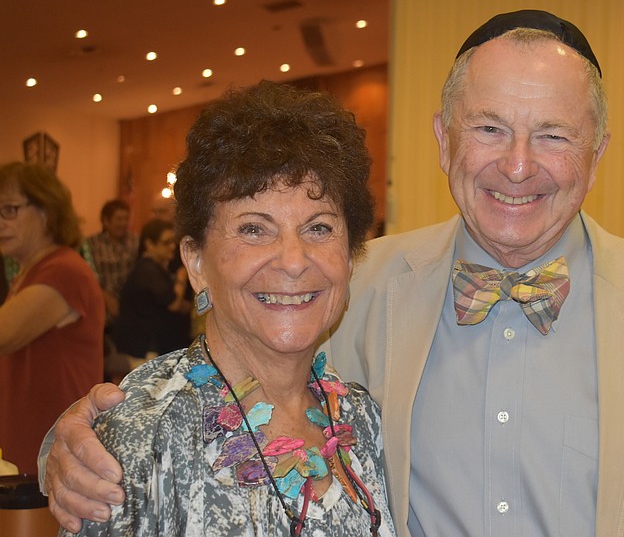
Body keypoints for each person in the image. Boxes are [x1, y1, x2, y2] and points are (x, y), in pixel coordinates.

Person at [42, 10, 624, 536]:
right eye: (488, 128)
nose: (516, 165)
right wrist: (71, 443)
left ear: (598, 152)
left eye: (552, 134)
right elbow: (220, 391)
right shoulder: (347, 287)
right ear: (444, 139)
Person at [52, 81, 393, 536]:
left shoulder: (359, 418)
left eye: (318, 228)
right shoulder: (145, 432)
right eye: (254, 229)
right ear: (196, 263)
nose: (293, 260)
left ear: (350, 258)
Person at [0, 162, 104, 475]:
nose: (1, 221)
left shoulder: (62, 270)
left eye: (9, 209)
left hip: (54, 448)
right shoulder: (28, 272)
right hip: (30, 443)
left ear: (46, 211)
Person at [111, 218, 192, 368]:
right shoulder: (147, 270)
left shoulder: (156, 268)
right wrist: (182, 277)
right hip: (144, 347)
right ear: (149, 244)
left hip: (153, 344)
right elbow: (173, 304)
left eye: (173, 242)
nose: (172, 246)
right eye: (166, 242)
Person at [80, 199, 139, 324]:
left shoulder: (135, 241)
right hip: (101, 307)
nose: (123, 223)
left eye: (126, 219)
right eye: (119, 219)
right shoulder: (91, 244)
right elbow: (86, 276)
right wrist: (106, 297)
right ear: (106, 221)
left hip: (131, 308)